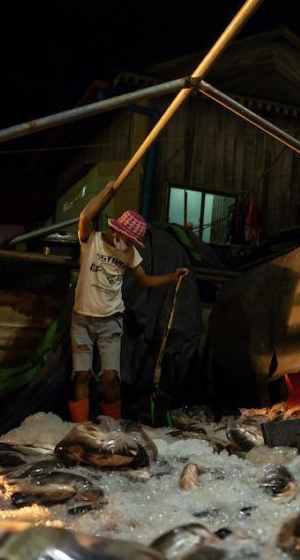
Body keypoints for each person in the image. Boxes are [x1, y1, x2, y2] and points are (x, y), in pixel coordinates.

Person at [68, 181, 189, 422]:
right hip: (82, 319)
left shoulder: (130, 253)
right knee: (82, 375)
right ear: (118, 230)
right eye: (128, 238)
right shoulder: (92, 240)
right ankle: (80, 428)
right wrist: (107, 192)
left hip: (111, 321)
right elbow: (85, 216)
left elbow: (144, 280)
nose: (129, 243)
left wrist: (172, 276)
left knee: (111, 376)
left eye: (133, 241)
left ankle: (113, 425)